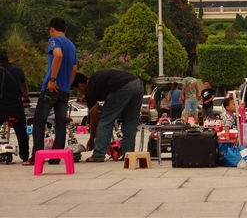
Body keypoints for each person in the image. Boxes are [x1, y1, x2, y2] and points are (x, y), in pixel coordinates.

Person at [26, 17, 77, 166]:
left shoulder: (54, 40)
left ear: (52, 29)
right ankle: (56, 157)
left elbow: (58, 55)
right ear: (65, 30)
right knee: (60, 123)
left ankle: (36, 156)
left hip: (51, 88)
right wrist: (67, 84)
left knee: (39, 120)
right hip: (64, 90)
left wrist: (53, 79)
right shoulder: (72, 45)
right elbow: (74, 69)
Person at [71, 70, 143, 162]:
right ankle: (128, 155)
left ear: (80, 84)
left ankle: (98, 155)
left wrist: (91, 139)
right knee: (130, 121)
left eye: (77, 90)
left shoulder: (90, 89)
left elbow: (94, 115)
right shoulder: (95, 78)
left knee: (105, 120)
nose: (80, 92)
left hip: (122, 87)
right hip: (137, 83)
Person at [0, 48, 30, 163]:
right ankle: (25, 156)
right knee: (21, 132)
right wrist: (26, 96)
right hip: (16, 105)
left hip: (1, 106)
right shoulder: (17, 70)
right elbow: (24, 84)